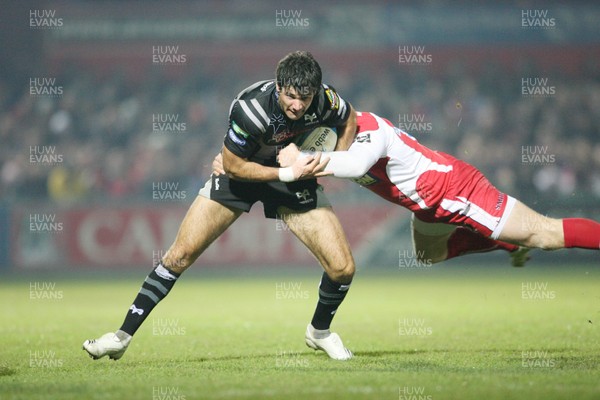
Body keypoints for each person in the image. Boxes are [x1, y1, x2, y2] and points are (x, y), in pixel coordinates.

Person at [83, 51, 358, 361]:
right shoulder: (251, 109)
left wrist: (336, 161)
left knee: (343, 268)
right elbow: (233, 165)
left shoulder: (325, 99)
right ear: (279, 87)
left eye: (305, 99)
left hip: (292, 179)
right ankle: (121, 336)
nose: (298, 105)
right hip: (243, 173)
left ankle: (319, 332)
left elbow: (350, 120)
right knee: (180, 255)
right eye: (292, 96)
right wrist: (287, 172)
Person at [276, 111, 600, 265]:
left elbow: (358, 166)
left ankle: (517, 241)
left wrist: (301, 161)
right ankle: (508, 245)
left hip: (454, 190)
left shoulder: (368, 130)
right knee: (428, 254)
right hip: (428, 204)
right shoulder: (327, 138)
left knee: (544, 234)